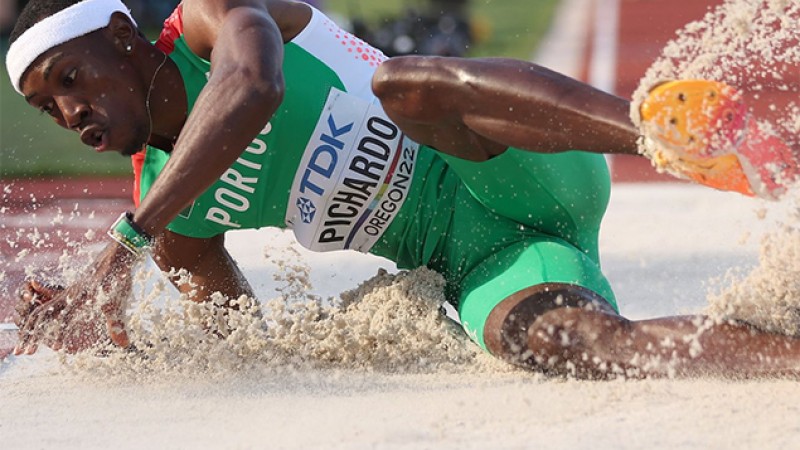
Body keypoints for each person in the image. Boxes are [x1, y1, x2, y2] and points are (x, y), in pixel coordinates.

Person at [7, 0, 800, 378]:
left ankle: (668, 135)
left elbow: (252, 87)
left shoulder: (211, 20)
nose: (70, 113)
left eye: (71, 80)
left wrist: (128, 242)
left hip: (513, 161)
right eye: (48, 107)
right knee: (571, 346)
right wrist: (111, 337)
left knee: (404, 85)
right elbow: (235, 341)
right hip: (492, 257)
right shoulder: (178, 216)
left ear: (122, 37)